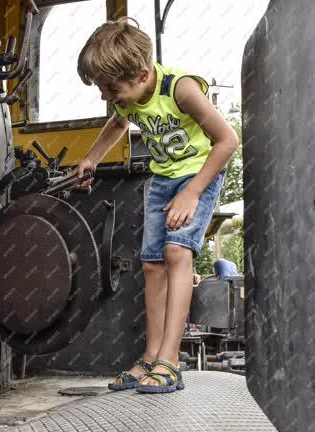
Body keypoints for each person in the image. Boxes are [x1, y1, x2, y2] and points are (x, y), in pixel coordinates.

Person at [74, 18, 239, 393]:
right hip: (164, 178)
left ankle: (170, 360)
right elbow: (117, 124)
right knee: (152, 264)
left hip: (200, 173)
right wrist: (92, 158)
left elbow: (228, 140)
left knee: (176, 253)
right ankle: (150, 357)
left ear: (143, 73)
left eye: (111, 88)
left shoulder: (180, 89)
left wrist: (193, 192)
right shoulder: (127, 100)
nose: (106, 96)